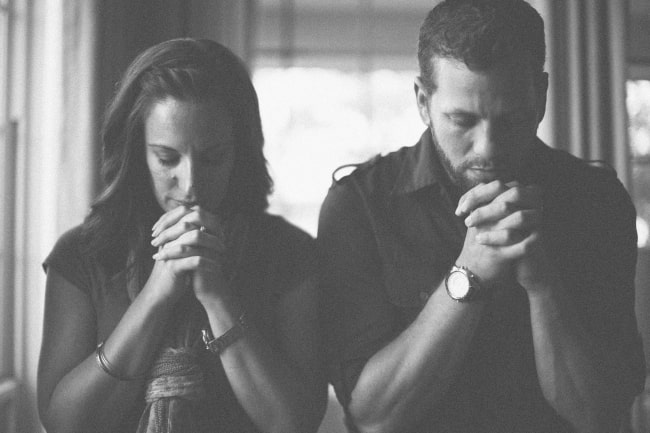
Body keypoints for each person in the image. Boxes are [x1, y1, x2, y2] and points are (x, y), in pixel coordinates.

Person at [318, 1, 645, 432]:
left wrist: (544, 286)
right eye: (462, 120)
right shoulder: (359, 205)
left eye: (511, 119)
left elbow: (600, 417)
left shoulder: (596, 201)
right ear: (422, 100)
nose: (488, 149)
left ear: (541, 96)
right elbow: (375, 417)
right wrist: (466, 276)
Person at [38, 38, 326, 433]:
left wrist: (217, 296)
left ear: (239, 151)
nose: (191, 184)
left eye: (212, 157)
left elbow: (295, 423)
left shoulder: (289, 254)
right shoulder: (81, 255)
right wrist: (157, 294)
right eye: (167, 158)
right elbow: (64, 423)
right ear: (137, 153)